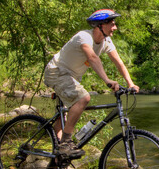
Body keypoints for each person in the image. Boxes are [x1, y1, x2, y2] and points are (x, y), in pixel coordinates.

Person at [44, 9, 139, 158]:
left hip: (71, 77)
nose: (115, 27)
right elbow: (93, 58)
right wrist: (107, 81)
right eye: (112, 24)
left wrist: (131, 83)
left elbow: (119, 63)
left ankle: (59, 161)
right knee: (83, 99)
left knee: (62, 119)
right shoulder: (84, 37)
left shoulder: (106, 41)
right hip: (57, 72)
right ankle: (66, 143)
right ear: (100, 25)